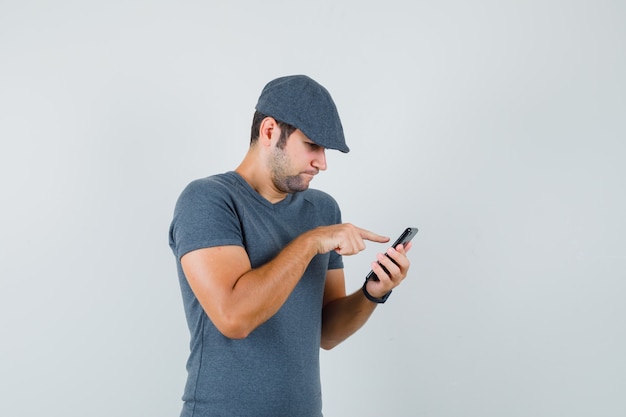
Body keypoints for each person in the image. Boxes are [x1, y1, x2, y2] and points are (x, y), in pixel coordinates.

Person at [168, 75, 412, 417]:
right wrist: (311, 241)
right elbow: (233, 317)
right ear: (269, 132)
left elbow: (327, 332)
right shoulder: (208, 200)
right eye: (312, 145)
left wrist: (373, 291)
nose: (322, 163)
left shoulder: (322, 210)